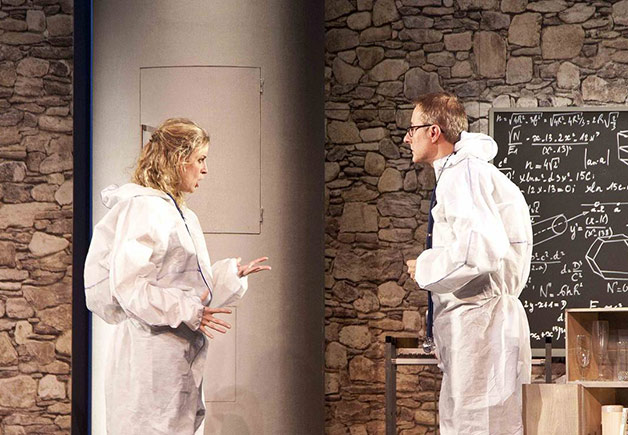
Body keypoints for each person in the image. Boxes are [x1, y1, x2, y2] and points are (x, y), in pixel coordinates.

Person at [83, 118, 270, 435]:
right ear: (178, 160)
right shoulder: (144, 209)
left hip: (173, 358)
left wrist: (229, 275)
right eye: (200, 159)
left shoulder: (178, 212)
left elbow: (184, 285)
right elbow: (129, 286)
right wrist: (188, 311)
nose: (205, 170)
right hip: (149, 359)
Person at [405, 93, 532, 435]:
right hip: (481, 326)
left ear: (434, 132)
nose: (407, 138)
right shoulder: (465, 172)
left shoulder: (462, 175)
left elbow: (480, 250)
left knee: (474, 426)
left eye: (413, 128)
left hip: (480, 327)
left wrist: (425, 267)